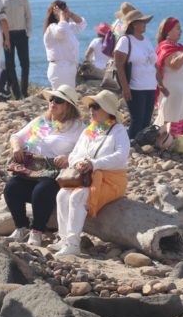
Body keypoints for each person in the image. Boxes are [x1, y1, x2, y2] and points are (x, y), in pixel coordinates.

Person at [4, 85, 84, 247]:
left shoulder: (77, 128)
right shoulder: (42, 122)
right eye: (51, 99)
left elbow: (86, 151)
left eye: (59, 100)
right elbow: (16, 136)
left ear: (68, 105)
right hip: (32, 169)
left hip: (55, 172)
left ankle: (37, 231)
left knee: (42, 190)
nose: (53, 103)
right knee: (11, 187)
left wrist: (69, 157)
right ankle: (21, 227)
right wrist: (17, 147)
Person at [53, 90, 130, 257]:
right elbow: (74, 154)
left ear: (107, 110)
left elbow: (121, 157)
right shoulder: (91, 129)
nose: (91, 110)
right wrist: (78, 163)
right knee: (61, 195)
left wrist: (94, 164)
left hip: (111, 180)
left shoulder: (118, 130)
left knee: (77, 196)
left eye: (96, 106)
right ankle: (63, 239)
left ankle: (73, 244)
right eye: (90, 107)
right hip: (86, 177)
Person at [113, 8, 159, 140]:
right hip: (135, 87)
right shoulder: (125, 40)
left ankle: (141, 143)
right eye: (142, 22)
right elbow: (119, 65)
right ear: (133, 24)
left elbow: (154, 64)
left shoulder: (146, 40)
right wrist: (125, 87)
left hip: (150, 86)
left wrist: (161, 84)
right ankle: (129, 143)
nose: (145, 24)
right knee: (137, 119)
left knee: (146, 119)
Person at [43, 0, 86, 89]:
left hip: (68, 69)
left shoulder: (67, 27)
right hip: (59, 69)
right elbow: (61, 32)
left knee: (68, 99)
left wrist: (71, 14)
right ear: (57, 14)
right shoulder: (52, 28)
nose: (67, 14)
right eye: (65, 11)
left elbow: (82, 24)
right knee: (61, 99)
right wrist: (61, 15)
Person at [0, 0, 31, 100]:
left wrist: (28, 33)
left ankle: (24, 91)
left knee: (25, 63)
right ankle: (17, 94)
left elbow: (28, 16)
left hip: (21, 34)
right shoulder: (0, 1)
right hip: (7, 35)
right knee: (10, 64)